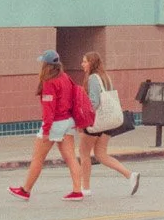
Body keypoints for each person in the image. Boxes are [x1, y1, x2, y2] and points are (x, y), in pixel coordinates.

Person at [9, 50, 85, 199]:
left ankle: (25, 190)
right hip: (69, 121)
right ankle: (77, 190)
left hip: (55, 123)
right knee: (71, 157)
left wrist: (45, 130)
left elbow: (49, 109)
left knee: (38, 158)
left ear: (46, 65)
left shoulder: (49, 82)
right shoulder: (65, 77)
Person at [78, 51, 140, 195]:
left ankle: (85, 188)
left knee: (84, 153)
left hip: (96, 122)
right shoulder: (105, 77)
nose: (82, 64)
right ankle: (130, 175)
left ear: (91, 63)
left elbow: (95, 102)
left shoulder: (93, 78)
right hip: (109, 122)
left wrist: (84, 118)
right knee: (100, 154)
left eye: (85, 61)